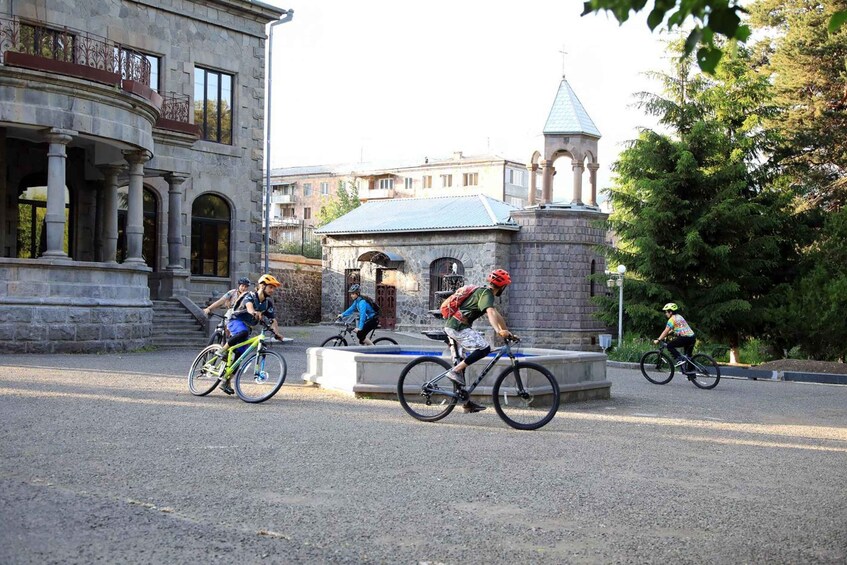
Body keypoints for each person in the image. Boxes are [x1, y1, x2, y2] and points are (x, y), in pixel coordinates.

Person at [443, 268, 516, 413]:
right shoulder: (487, 294)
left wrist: (507, 331)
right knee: (484, 348)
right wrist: (498, 331)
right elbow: (490, 312)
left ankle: (466, 403)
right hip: (458, 327)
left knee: (462, 362)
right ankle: (454, 371)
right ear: (502, 286)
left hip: (456, 326)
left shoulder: (484, 292)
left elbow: (496, 314)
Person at [216, 274, 285, 395]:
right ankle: (223, 350)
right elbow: (249, 307)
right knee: (243, 332)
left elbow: (273, 320)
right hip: (235, 321)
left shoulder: (267, 303)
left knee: (240, 355)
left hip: (247, 326)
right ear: (262, 286)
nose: (272, 290)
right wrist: (254, 312)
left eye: (274, 288)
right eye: (270, 287)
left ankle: (226, 381)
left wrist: (276, 333)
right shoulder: (250, 295)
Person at [653, 302, 696, 373]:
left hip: (685, 338)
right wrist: (667, 335)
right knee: (688, 356)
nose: (665, 314)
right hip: (692, 337)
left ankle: (679, 359)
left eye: (666, 312)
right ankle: (691, 373)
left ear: (670, 312)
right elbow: (674, 329)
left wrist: (658, 339)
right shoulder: (679, 317)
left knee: (670, 346)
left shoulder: (671, 320)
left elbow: (665, 331)